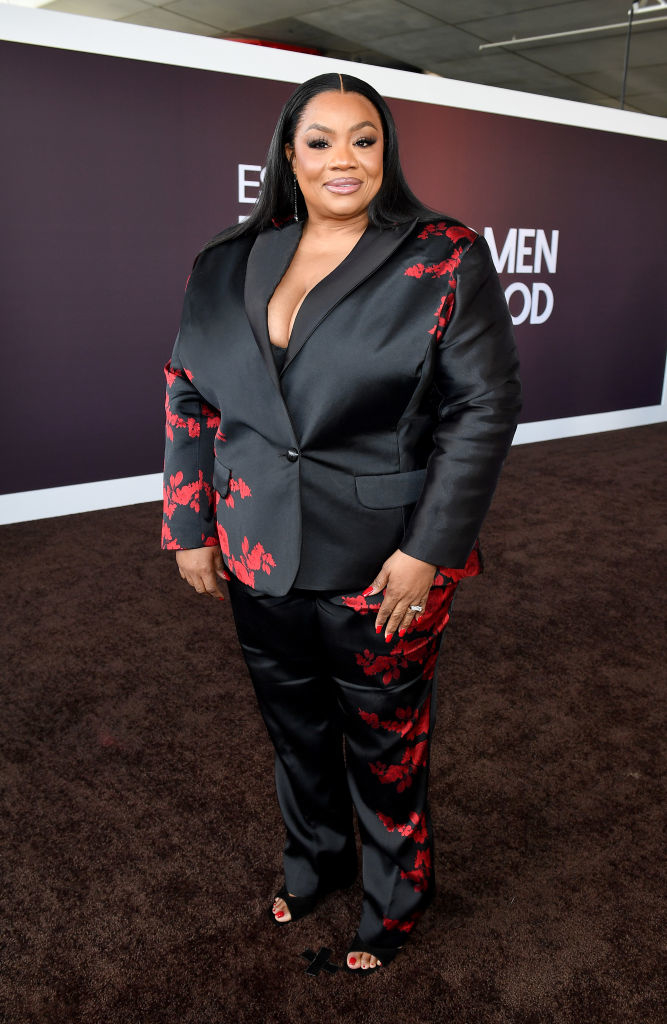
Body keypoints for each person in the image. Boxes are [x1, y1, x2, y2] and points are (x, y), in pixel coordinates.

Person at [162, 71, 521, 973]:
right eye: (319, 140)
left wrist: (428, 551)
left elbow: (482, 406)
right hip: (252, 552)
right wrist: (189, 522)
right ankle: (314, 862)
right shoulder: (224, 260)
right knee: (295, 731)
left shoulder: (438, 253)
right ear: (287, 154)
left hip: (381, 560)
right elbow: (189, 392)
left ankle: (397, 900)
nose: (343, 159)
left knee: (385, 740)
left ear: (385, 151)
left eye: (363, 139)